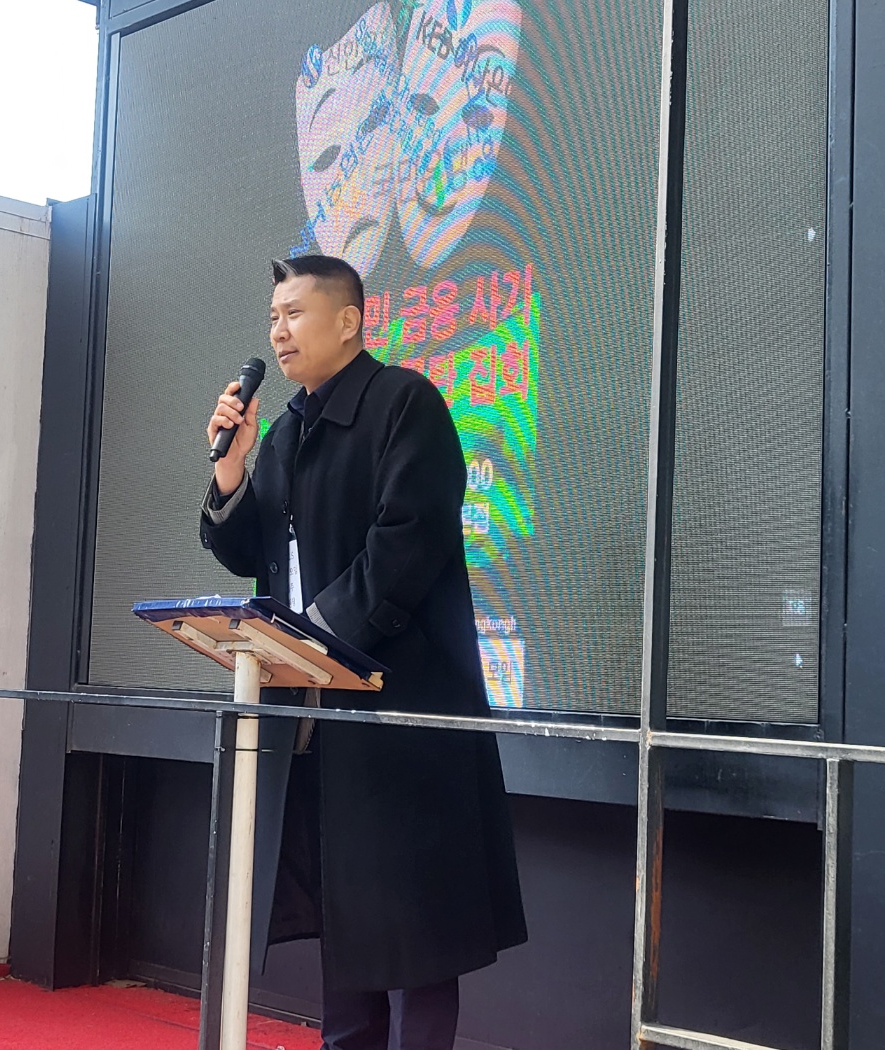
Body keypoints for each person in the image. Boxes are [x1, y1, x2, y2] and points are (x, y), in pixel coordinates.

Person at [200, 255, 527, 1050]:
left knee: (418, 931)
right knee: (345, 919)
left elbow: (407, 542)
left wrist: (314, 634)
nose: (278, 332)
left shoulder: (405, 402)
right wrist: (232, 468)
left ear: (348, 321)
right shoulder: (286, 431)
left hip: (403, 711)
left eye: (295, 314)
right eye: (273, 318)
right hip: (319, 718)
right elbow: (249, 553)